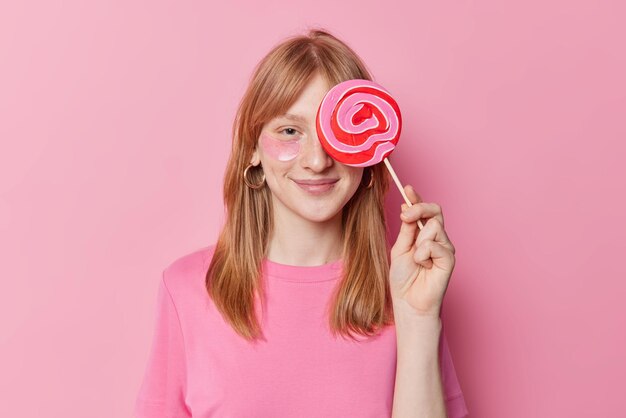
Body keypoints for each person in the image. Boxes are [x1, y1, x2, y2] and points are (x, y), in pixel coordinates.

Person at [134, 28, 469, 418]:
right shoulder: (187, 289)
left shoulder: (407, 289)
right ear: (253, 148)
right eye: (290, 131)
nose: (317, 160)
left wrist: (420, 319)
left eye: (335, 133)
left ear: (368, 151)